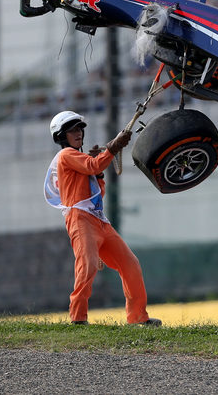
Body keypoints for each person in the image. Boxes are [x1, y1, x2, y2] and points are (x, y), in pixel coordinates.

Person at [45, 111, 160, 326]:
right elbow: (93, 165)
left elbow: (98, 190)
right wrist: (112, 148)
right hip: (80, 220)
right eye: (72, 130)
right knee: (87, 265)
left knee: (130, 264)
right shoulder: (66, 155)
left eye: (79, 128)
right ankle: (78, 318)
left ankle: (137, 318)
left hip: (99, 220)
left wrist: (102, 164)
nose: (78, 133)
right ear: (61, 137)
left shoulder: (81, 159)